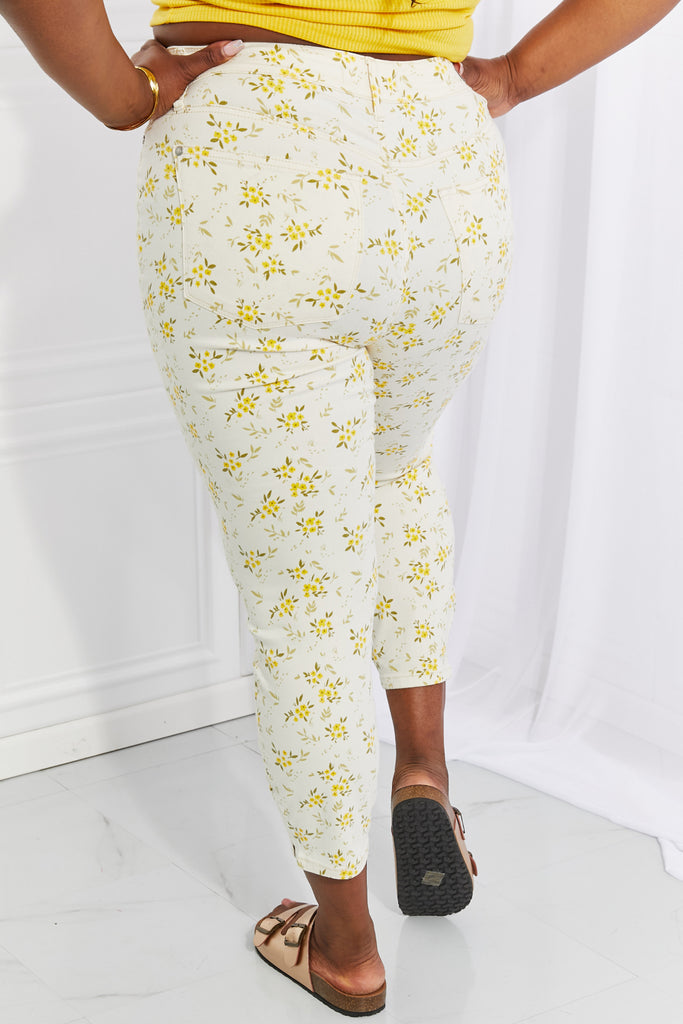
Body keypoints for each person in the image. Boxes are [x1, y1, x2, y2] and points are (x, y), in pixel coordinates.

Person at [1, 0, 679, 1016]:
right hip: (441, 170)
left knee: (302, 598)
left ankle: (346, 947)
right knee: (393, 471)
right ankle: (422, 773)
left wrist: (124, 98)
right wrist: (510, 77)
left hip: (251, 157)